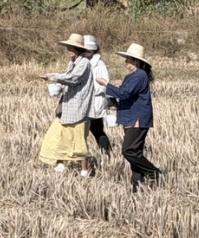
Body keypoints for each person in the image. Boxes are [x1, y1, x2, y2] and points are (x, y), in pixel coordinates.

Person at [99, 43, 161, 190]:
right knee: (135, 152)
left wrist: (107, 84)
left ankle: (153, 172)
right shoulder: (136, 76)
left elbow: (123, 93)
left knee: (129, 151)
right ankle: (136, 185)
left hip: (137, 118)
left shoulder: (139, 75)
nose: (126, 62)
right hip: (131, 117)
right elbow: (126, 94)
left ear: (137, 61)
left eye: (129, 59)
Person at [37, 33, 96, 176]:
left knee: (79, 142)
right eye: (68, 47)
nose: (69, 50)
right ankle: (60, 164)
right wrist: (57, 86)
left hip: (79, 109)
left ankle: (84, 170)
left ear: (78, 49)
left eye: (72, 48)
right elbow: (69, 82)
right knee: (57, 135)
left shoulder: (84, 63)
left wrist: (52, 76)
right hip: (68, 106)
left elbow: (73, 79)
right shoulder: (73, 63)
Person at [82, 35, 112, 158]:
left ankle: (106, 153)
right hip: (84, 102)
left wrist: (89, 89)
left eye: (88, 50)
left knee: (97, 129)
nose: (85, 52)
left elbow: (105, 84)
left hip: (95, 101)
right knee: (86, 130)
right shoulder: (82, 62)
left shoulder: (99, 64)